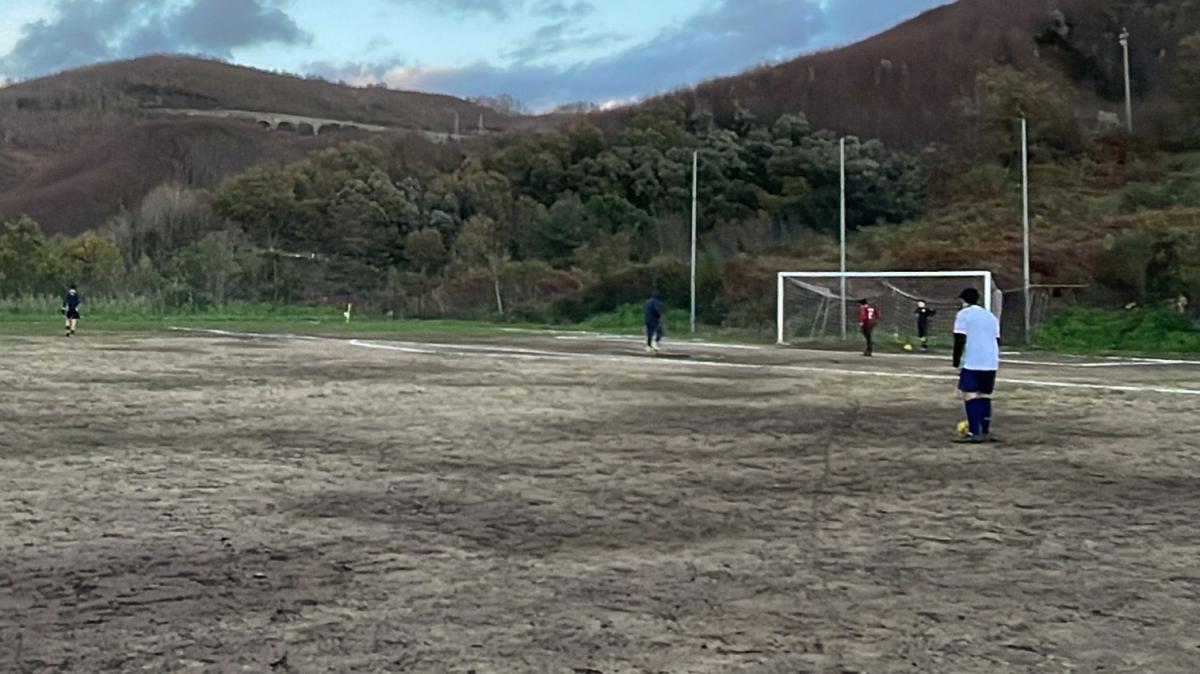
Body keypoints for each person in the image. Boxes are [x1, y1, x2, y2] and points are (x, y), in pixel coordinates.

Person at [953, 287, 1001, 443]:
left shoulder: (964, 314)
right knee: (984, 395)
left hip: (974, 360)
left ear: (963, 301)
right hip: (991, 361)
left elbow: (959, 338)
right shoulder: (990, 316)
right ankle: (985, 431)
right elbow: (997, 339)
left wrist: (956, 361)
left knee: (970, 394)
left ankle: (974, 432)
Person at [644, 290, 664, 354]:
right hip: (654, 319)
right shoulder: (655, 302)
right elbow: (656, 310)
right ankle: (655, 343)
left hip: (647, 319)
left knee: (649, 333)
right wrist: (659, 316)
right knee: (660, 332)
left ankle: (648, 346)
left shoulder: (647, 302)